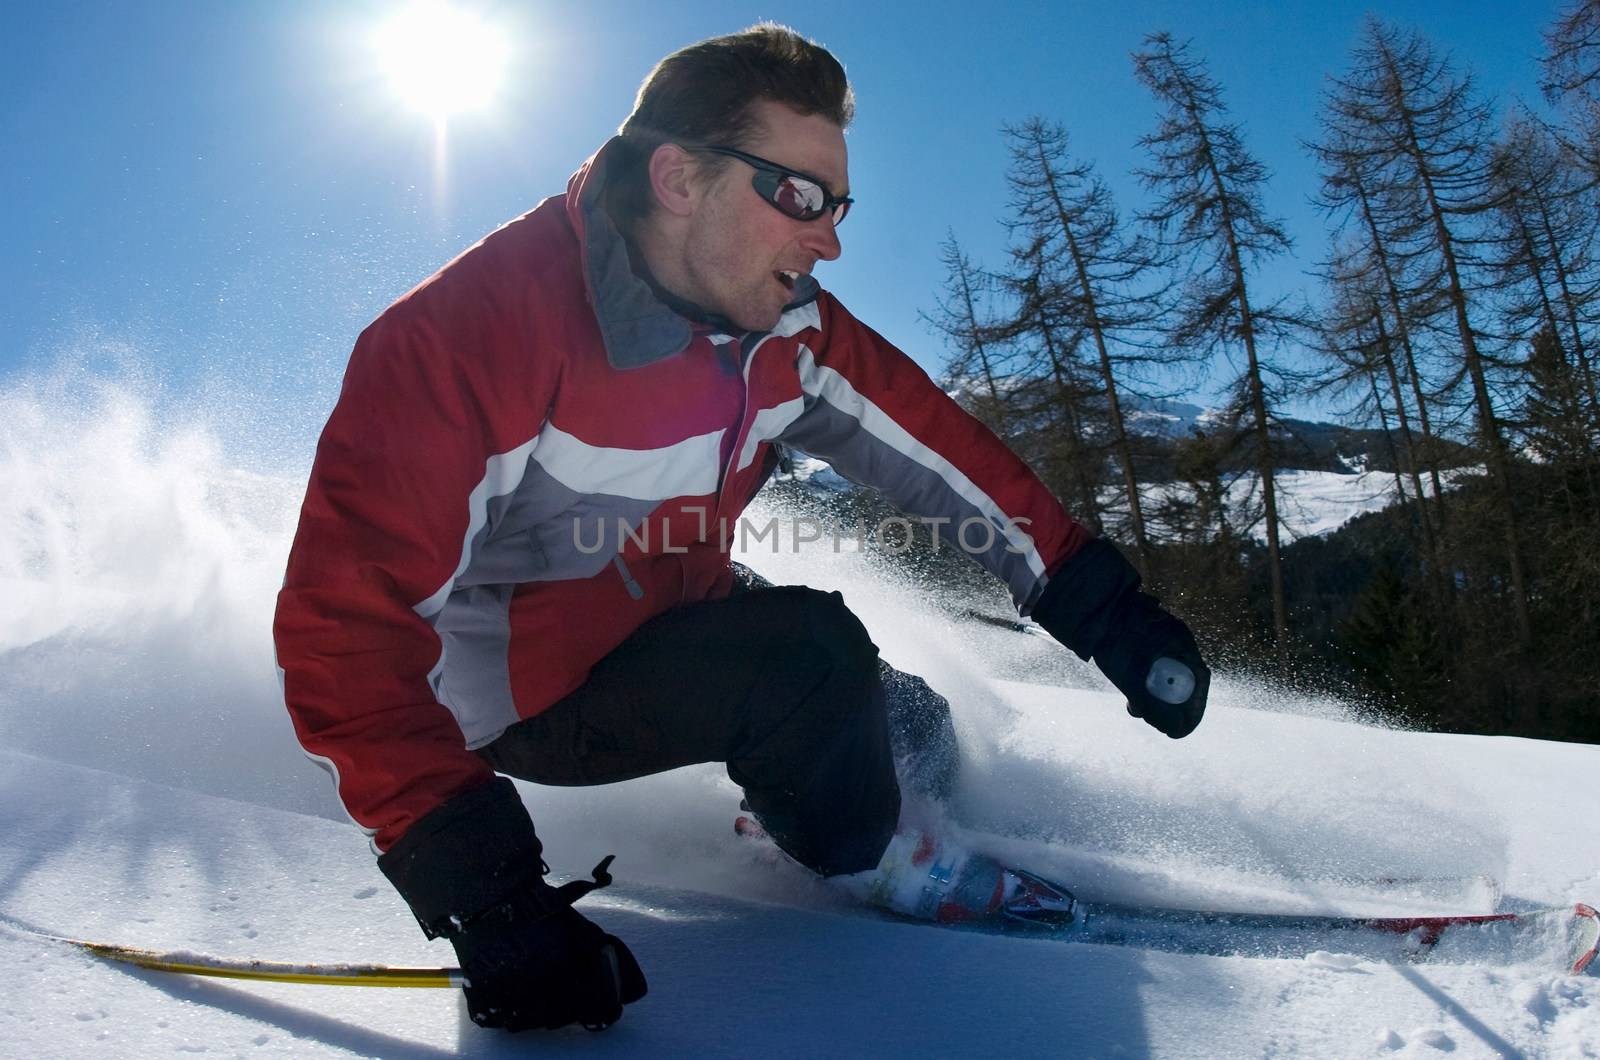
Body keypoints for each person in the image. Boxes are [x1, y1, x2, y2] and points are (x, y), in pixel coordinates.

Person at [273, 23, 1210, 1035]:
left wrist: (1102, 608)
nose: (829, 236)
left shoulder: (785, 330)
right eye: (798, 195)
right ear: (679, 178)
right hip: (526, 690)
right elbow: (345, 634)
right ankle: (876, 859)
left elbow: (947, 465)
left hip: (675, 611)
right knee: (807, 661)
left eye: (838, 203)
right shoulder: (469, 336)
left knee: (915, 724)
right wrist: (487, 898)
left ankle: (808, 812)